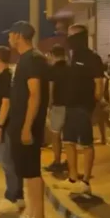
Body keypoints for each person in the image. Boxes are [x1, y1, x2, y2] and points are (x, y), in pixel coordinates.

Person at [3, 21, 50, 218]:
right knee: (25, 171)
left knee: (32, 173)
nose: (8, 39)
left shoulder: (33, 59)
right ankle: (31, 215)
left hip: (26, 125)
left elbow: (35, 94)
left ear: (18, 35)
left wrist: (27, 127)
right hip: (19, 124)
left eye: (10, 35)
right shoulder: (25, 59)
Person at [54, 24, 104, 196]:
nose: (69, 40)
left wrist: (95, 106)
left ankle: (86, 182)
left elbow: (99, 84)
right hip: (70, 106)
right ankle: (72, 178)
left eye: (72, 36)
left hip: (84, 107)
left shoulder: (92, 58)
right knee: (68, 141)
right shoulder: (72, 57)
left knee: (86, 144)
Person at [0, 45, 26, 214]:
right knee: (14, 161)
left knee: (7, 162)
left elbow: (6, 103)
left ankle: (11, 197)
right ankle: (19, 196)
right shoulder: (11, 75)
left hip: (8, 125)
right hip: (14, 123)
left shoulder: (4, 77)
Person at [44, 44, 68, 173]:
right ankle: (70, 162)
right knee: (68, 137)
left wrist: (49, 104)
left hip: (58, 105)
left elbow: (50, 89)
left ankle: (57, 161)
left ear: (53, 55)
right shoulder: (71, 68)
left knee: (55, 135)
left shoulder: (52, 70)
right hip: (71, 105)